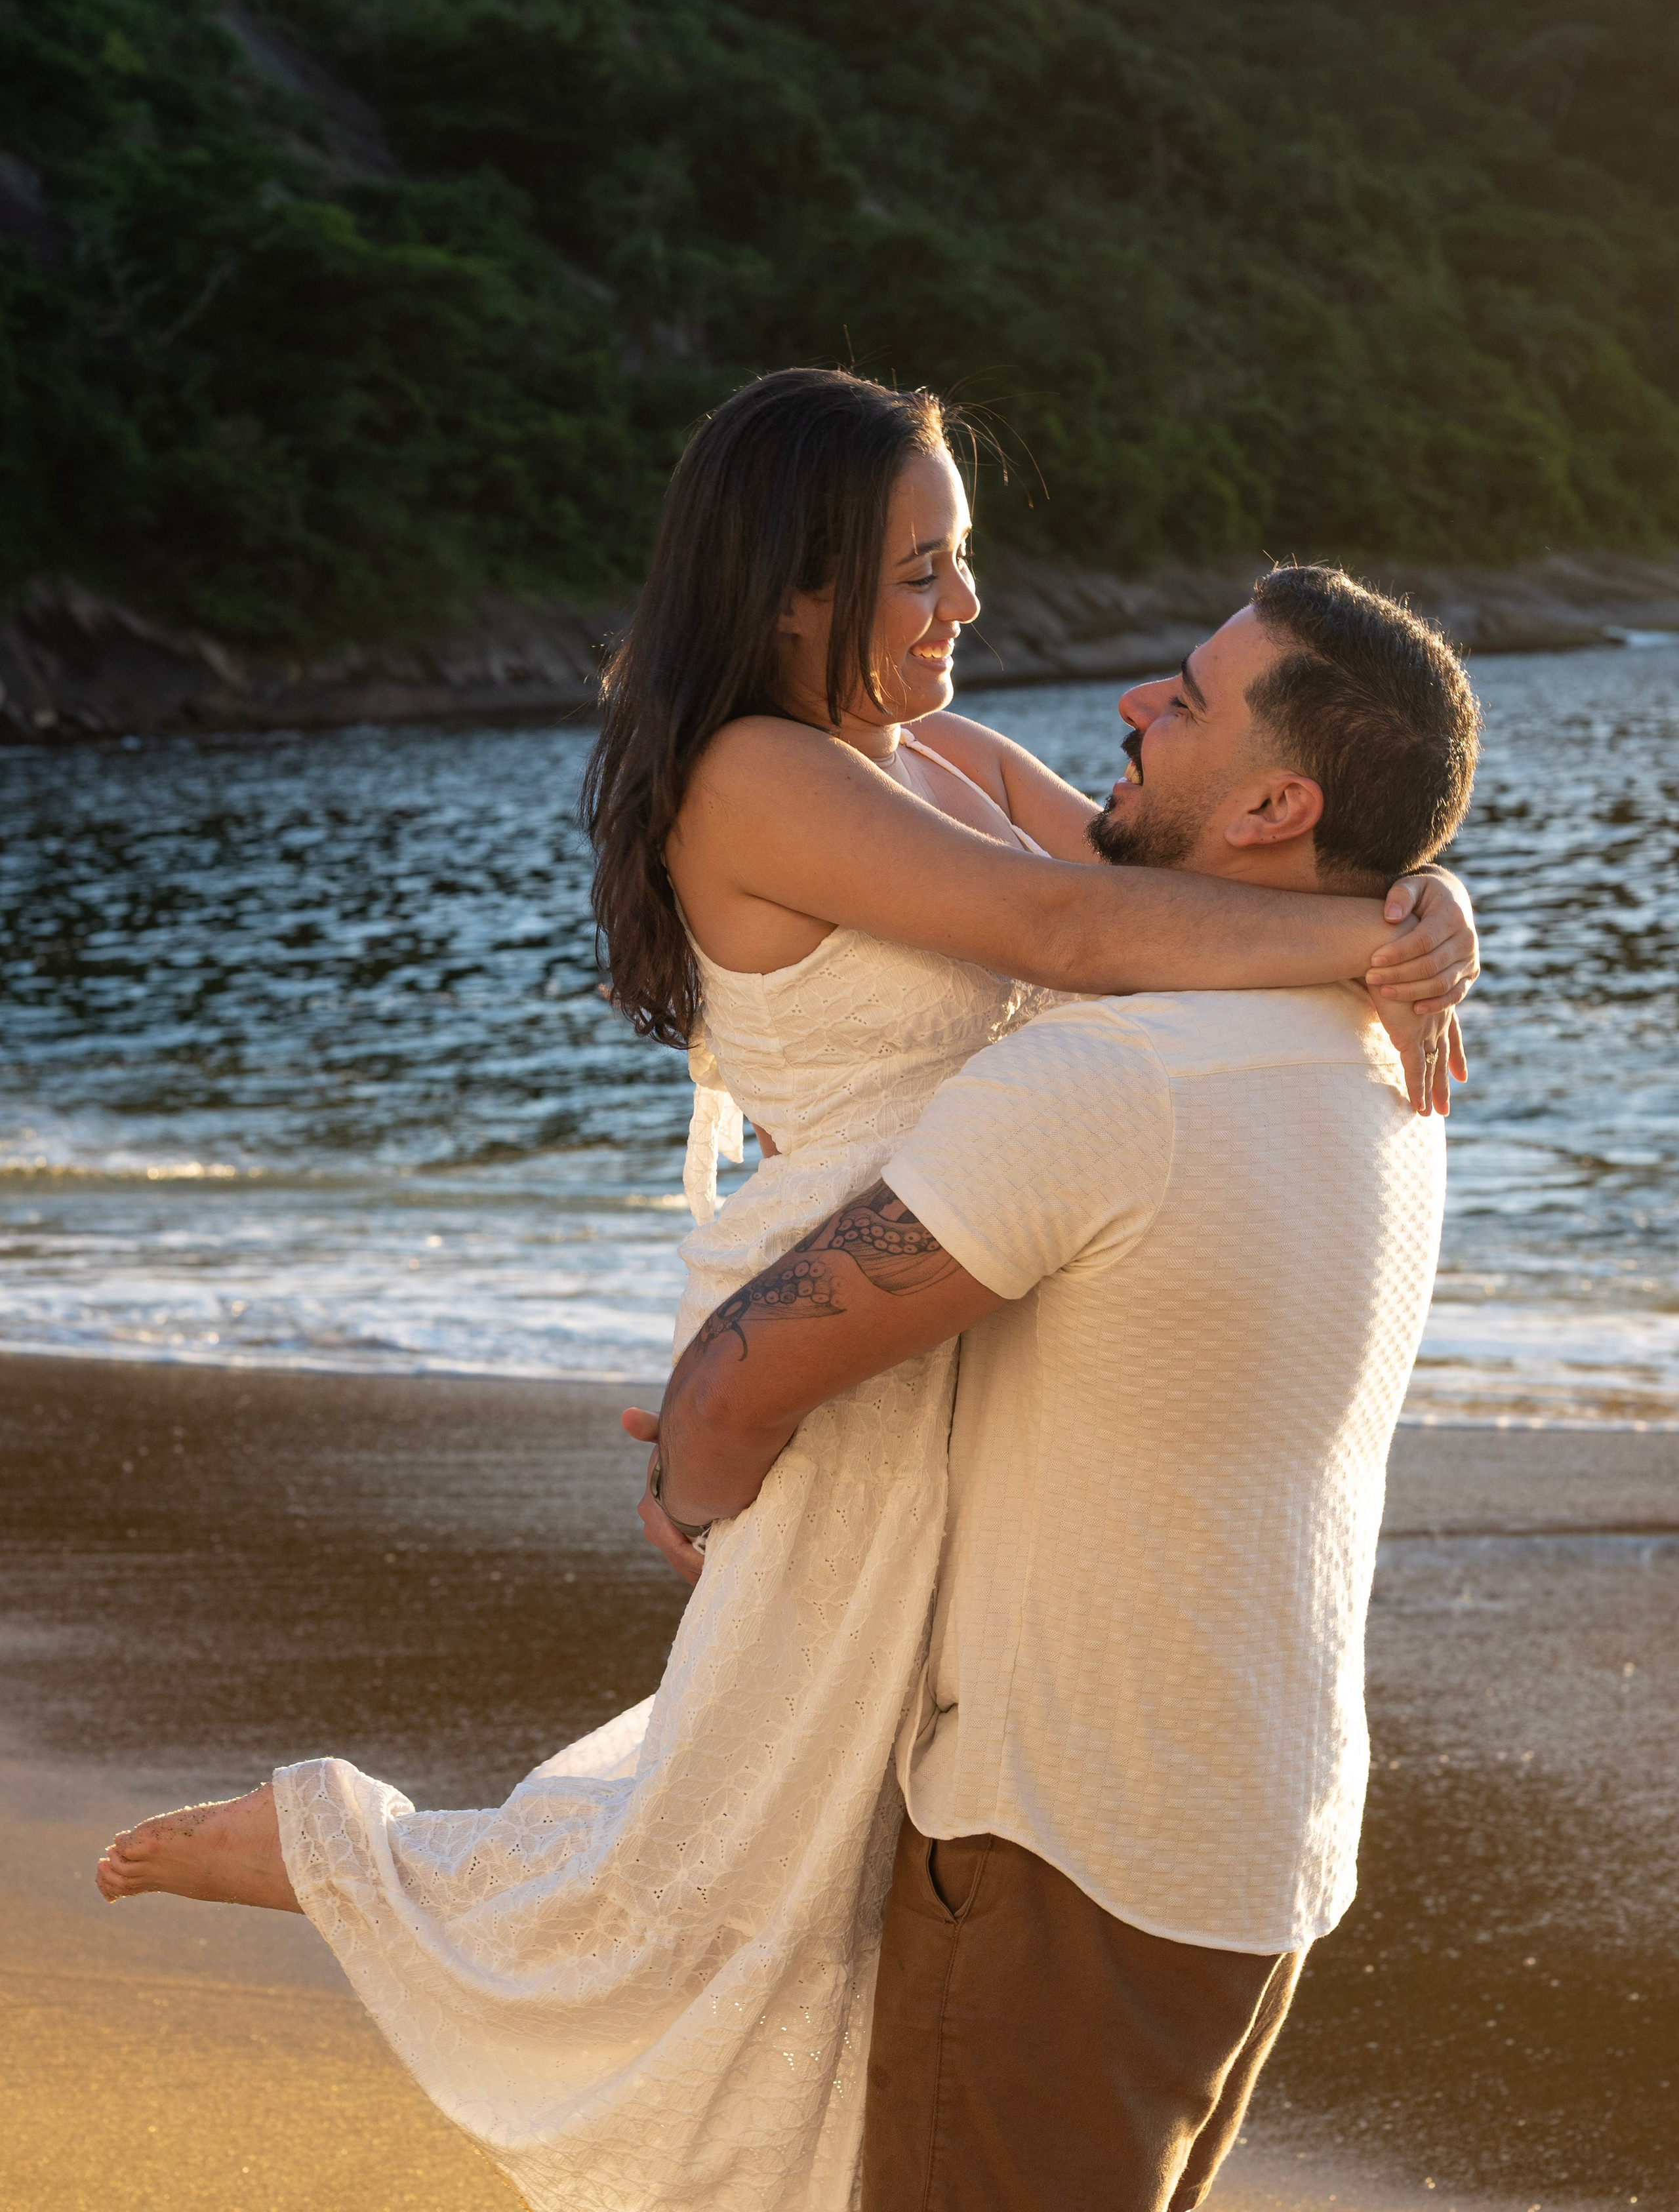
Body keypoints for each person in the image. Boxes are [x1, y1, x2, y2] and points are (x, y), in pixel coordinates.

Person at [94, 373, 1476, 2212]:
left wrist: (1435, 909)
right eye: (919, 576)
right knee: (751, 1810)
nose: (965, 613)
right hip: (865, 1273)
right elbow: (1079, 940)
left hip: (976, 1262)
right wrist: (1370, 937)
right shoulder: (756, 774)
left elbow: (1172, 900)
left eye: (960, 565)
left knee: (835, 1819)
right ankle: (353, 1859)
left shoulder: (963, 760)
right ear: (789, 595)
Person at [635, 561, 1482, 2211]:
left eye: (1182, 699)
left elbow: (736, 1384)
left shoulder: (1109, 1080)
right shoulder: (1379, 1042)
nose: (1130, 708)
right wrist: (1416, 904)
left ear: (1275, 802)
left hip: (1064, 1837)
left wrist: (691, 1488)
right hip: (1257, 1838)